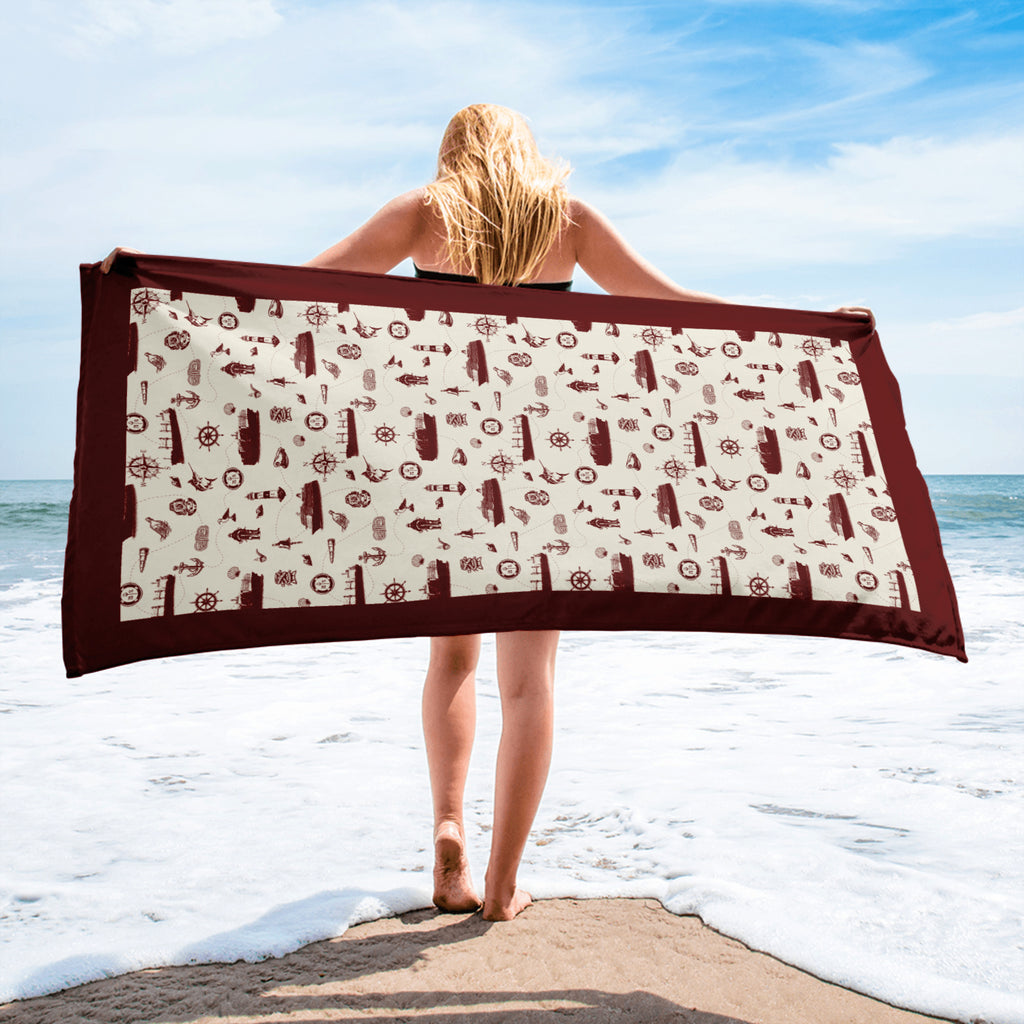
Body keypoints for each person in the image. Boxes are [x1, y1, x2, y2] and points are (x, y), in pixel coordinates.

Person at [101, 103, 873, 922]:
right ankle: (503, 888)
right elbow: (675, 305)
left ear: (453, 153)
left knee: (452, 663)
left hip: (435, 469)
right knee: (531, 685)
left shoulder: (423, 213)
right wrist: (813, 328)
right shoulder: (567, 219)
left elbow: (299, 290)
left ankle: (447, 831)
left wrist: (159, 283)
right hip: (545, 465)